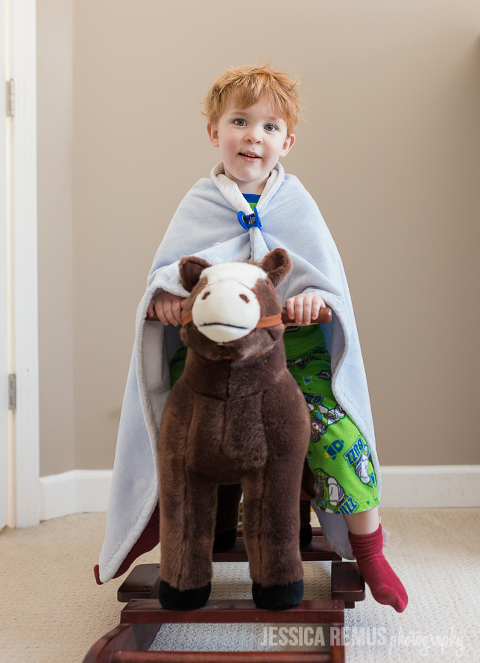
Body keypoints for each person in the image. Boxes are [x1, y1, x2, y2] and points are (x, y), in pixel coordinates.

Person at [96, 64, 407, 613]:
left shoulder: (296, 202)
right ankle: (190, 540)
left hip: (290, 358)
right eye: (240, 121)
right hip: (211, 364)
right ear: (214, 132)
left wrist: (316, 303)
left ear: (287, 141)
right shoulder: (200, 202)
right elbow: (171, 272)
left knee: (340, 435)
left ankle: (370, 548)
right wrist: (166, 298)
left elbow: (325, 281)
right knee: (177, 429)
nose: (252, 137)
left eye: (268, 127)